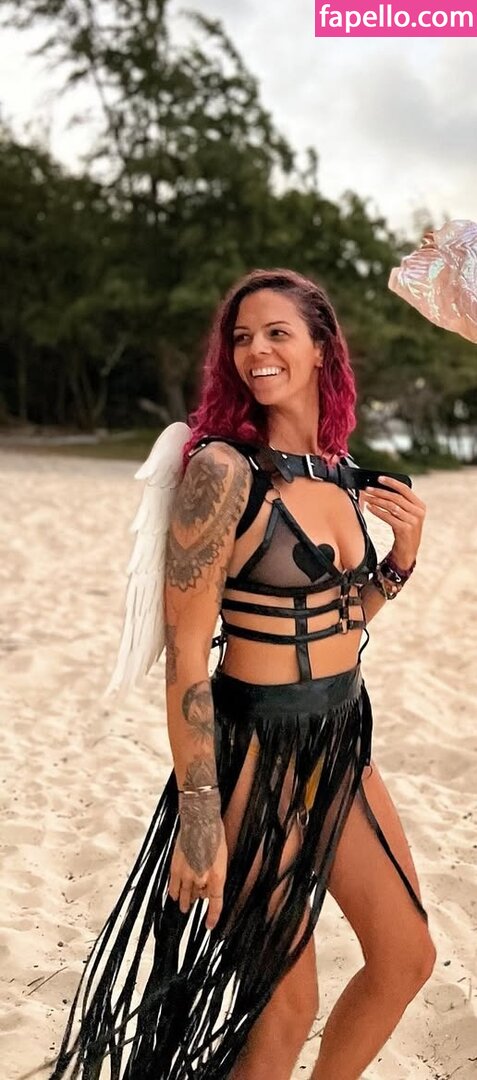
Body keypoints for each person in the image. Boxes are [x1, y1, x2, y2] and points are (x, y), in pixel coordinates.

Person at [46, 268, 435, 1080]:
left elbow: (336, 621)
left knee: (405, 957)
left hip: (339, 740)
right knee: (286, 1008)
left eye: (276, 333)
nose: (255, 350)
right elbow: (188, 654)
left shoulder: (335, 468)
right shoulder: (222, 472)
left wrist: (399, 561)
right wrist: (198, 814)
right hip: (252, 750)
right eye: (242, 337)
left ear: (321, 348)